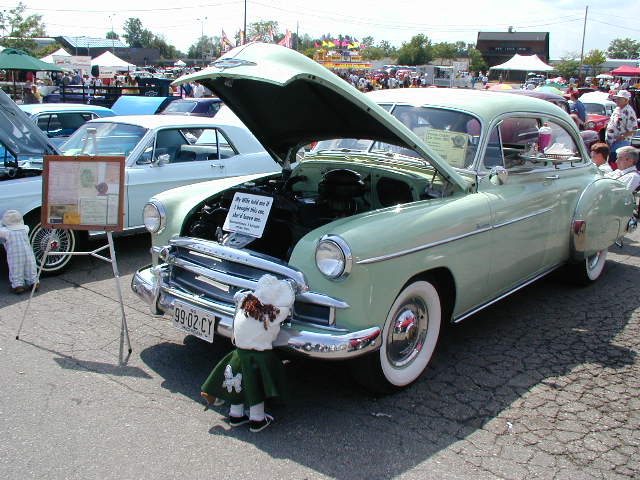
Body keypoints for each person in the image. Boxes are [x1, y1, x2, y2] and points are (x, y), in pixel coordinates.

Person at [200, 274, 295, 432]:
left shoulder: (245, 303)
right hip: (259, 356)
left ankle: (235, 415)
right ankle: (257, 419)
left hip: (239, 354)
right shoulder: (274, 313)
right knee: (255, 386)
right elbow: (287, 307)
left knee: (237, 385)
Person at [0, 210, 38, 294]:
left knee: (16, 269)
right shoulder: (25, 228)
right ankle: (34, 283)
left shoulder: (6, 232)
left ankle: (18, 286)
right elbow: (26, 226)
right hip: (28, 253)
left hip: (14, 255)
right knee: (30, 267)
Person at [605, 90, 638, 163]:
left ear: (626, 100)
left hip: (620, 142)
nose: (617, 100)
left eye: (620, 99)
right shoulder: (617, 109)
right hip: (611, 142)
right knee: (611, 162)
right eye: (617, 98)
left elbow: (634, 128)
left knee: (616, 162)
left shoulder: (629, 111)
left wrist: (622, 137)